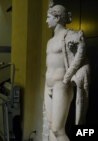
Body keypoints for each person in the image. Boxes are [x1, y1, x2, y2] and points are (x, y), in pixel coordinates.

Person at [44, 4, 89, 141]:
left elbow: (81, 55)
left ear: (57, 18)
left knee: (58, 130)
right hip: (47, 85)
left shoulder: (70, 36)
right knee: (51, 126)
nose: (46, 20)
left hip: (61, 85)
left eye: (48, 17)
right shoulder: (50, 41)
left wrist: (67, 77)